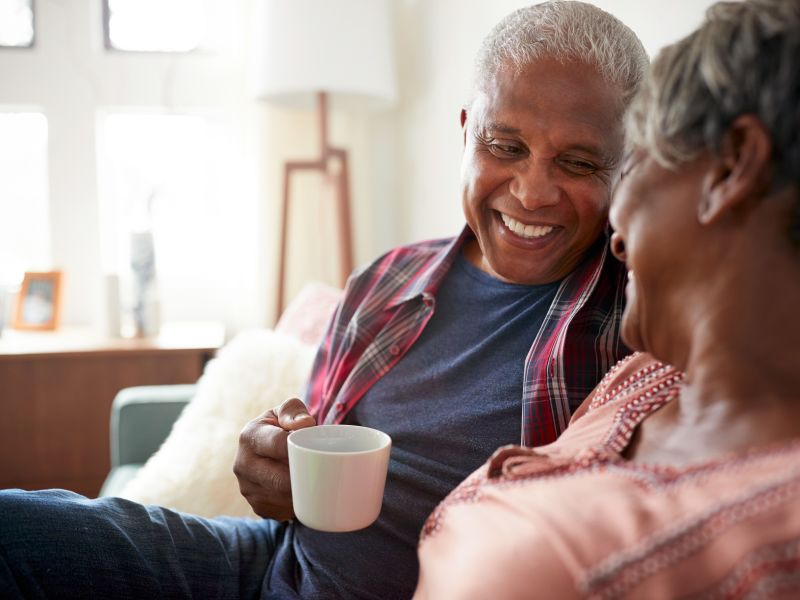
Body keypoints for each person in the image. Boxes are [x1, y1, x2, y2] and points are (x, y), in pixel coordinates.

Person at [0, 3, 646, 599]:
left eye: (579, 163)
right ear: (466, 132)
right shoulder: (388, 282)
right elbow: (305, 467)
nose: (533, 192)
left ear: (628, 167)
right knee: (21, 527)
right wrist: (274, 468)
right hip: (269, 565)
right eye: (505, 147)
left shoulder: (634, 317)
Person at [413, 0, 800, 597]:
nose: (616, 232)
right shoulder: (643, 378)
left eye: (632, 160)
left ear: (731, 170)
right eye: (505, 146)